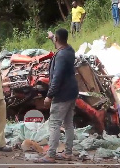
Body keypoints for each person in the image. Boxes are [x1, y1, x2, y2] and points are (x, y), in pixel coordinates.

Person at [34, 28, 79, 163]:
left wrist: (49, 96)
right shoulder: (70, 50)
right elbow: (59, 42)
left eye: (55, 39)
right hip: (72, 92)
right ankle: (68, 153)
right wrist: (52, 36)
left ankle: (51, 154)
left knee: (54, 123)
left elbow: (56, 78)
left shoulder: (60, 56)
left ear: (58, 40)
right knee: (69, 123)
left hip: (62, 94)